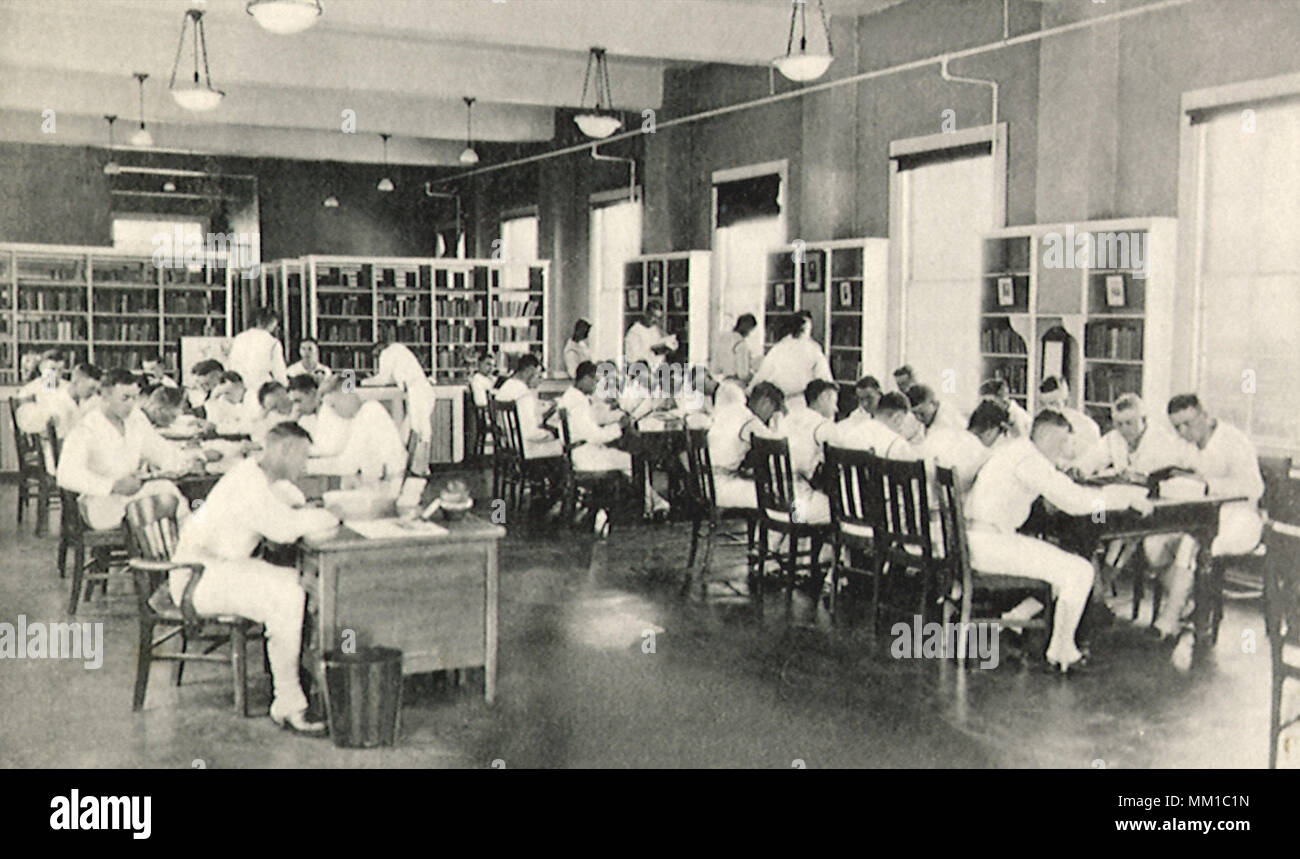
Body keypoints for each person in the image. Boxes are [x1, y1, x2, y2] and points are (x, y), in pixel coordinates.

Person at [171, 421, 340, 735]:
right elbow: (284, 529)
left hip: (215, 568)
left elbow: (286, 502)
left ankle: (289, 694)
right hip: (197, 579)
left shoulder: (254, 474)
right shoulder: (248, 483)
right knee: (289, 594)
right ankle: (289, 702)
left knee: (292, 583)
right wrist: (332, 515)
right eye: (302, 457)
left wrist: (302, 510)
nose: (304, 466)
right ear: (284, 450)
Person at [964, 409, 1154, 672]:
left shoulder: (1014, 450)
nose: (1065, 450)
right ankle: (1063, 651)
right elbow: (1075, 503)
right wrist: (1124, 499)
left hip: (975, 541)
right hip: (991, 545)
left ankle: (1017, 619)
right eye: (1064, 442)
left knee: (1057, 560)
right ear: (1051, 438)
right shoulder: (1029, 460)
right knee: (1079, 569)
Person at [1148, 394, 1265, 640]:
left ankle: (1169, 619)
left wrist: (1206, 484)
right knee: (1153, 544)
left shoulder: (1234, 441)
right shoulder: (1184, 443)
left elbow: (1254, 488)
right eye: (1176, 426)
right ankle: (1189, 603)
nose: (1183, 431)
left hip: (1241, 518)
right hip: (1201, 518)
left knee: (1192, 543)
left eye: (1187, 424)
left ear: (1204, 415)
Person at [56, 369, 204, 530]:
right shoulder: (87, 427)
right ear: (105, 396)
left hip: (130, 498)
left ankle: (184, 544)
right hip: (101, 504)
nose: (131, 404)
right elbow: (65, 474)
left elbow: (160, 451)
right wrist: (112, 486)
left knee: (170, 492)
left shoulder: (135, 420)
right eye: (125, 398)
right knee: (168, 501)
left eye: (134, 397)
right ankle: (181, 546)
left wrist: (190, 461)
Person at [310, 387, 408, 495]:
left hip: (386, 488)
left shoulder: (369, 414)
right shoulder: (366, 411)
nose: (335, 412)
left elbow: (348, 466)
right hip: (383, 482)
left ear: (346, 397)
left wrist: (308, 466)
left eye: (334, 405)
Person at [706, 381, 785, 510]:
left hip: (704, 481)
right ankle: (781, 527)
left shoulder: (731, 409)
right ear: (765, 402)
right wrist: (778, 422)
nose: (769, 417)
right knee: (773, 494)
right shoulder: (750, 421)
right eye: (772, 410)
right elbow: (777, 444)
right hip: (721, 485)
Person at [367, 340, 436, 476]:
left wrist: (364, 381)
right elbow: (395, 377)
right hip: (424, 388)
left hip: (417, 390)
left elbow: (383, 379)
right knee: (413, 427)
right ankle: (410, 465)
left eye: (376, 355)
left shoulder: (387, 353)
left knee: (419, 428)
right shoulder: (400, 350)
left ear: (379, 349)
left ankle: (418, 468)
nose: (377, 358)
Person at [777, 378, 837, 525]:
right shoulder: (822, 425)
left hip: (776, 502)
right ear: (824, 397)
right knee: (846, 511)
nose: (836, 409)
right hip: (799, 509)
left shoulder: (787, 419)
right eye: (834, 402)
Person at [919, 399, 1008, 494]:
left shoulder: (945, 435)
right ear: (991, 430)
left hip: (930, 503)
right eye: (998, 434)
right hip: (957, 507)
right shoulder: (982, 453)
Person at [748, 311, 833, 410]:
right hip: (802, 403)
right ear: (807, 329)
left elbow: (762, 376)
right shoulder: (813, 350)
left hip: (781, 404)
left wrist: (749, 392)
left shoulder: (778, 349)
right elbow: (825, 380)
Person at [494, 354, 563, 460]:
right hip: (524, 447)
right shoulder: (523, 394)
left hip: (508, 442)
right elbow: (530, 433)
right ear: (530, 370)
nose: (539, 379)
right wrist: (553, 434)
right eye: (538, 374)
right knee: (563, 445)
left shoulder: (508, 385)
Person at [832, 391, 918, 461]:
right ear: (897, 418)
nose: (901, 428)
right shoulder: (897, 444)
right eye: (903, 421)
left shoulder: (850, 434)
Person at [1037, 375, 1101, 461]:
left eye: (1053, 404)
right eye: (1042, 405)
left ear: (1066, 402)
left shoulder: (1087, 427)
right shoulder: (1039, 426)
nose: (1048, 409)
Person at [227, 306, 288, 395]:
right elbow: (279, 373)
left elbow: (230, 365)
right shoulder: (273, 343)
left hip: (239, 390)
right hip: (262, 391)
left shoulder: (239, 338)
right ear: (274, 323)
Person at [623, 300, 677, 367]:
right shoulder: (634, 332)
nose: (655, 320)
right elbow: (631, 358)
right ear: (646, 313)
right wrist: (652, 351)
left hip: (657, 370)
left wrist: (669, 348)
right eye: (653, 316)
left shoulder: (655, 329)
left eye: (658, 318)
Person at [719, 313, 761, 387]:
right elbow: (743, 374)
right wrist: (754, 377)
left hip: (724, 382)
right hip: (737, 384)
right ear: (748, 328)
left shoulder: (724, 339)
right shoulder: (741, 344)